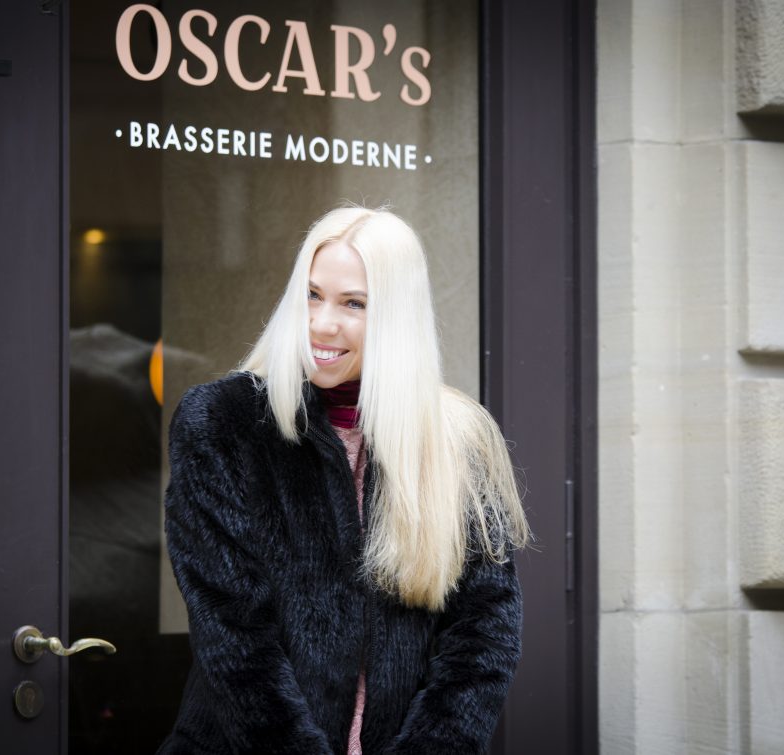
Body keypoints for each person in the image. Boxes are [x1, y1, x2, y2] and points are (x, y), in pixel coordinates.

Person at [158, 206, 529, 754]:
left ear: (396, 317)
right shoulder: (222, 423)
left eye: (354, 303)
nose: (322, 323)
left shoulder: (457, 439)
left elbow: (483, 634)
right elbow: (234, 634)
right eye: (311, 295)